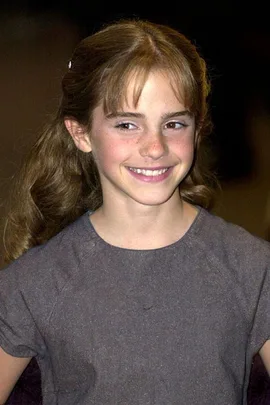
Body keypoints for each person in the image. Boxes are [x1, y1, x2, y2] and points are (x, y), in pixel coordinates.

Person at [0, 17, 269, 405]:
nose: (155, 147)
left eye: (174, 123)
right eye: (127, 124)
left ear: (197, 130)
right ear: (80, 133)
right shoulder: (35, 283)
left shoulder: (252, 268)